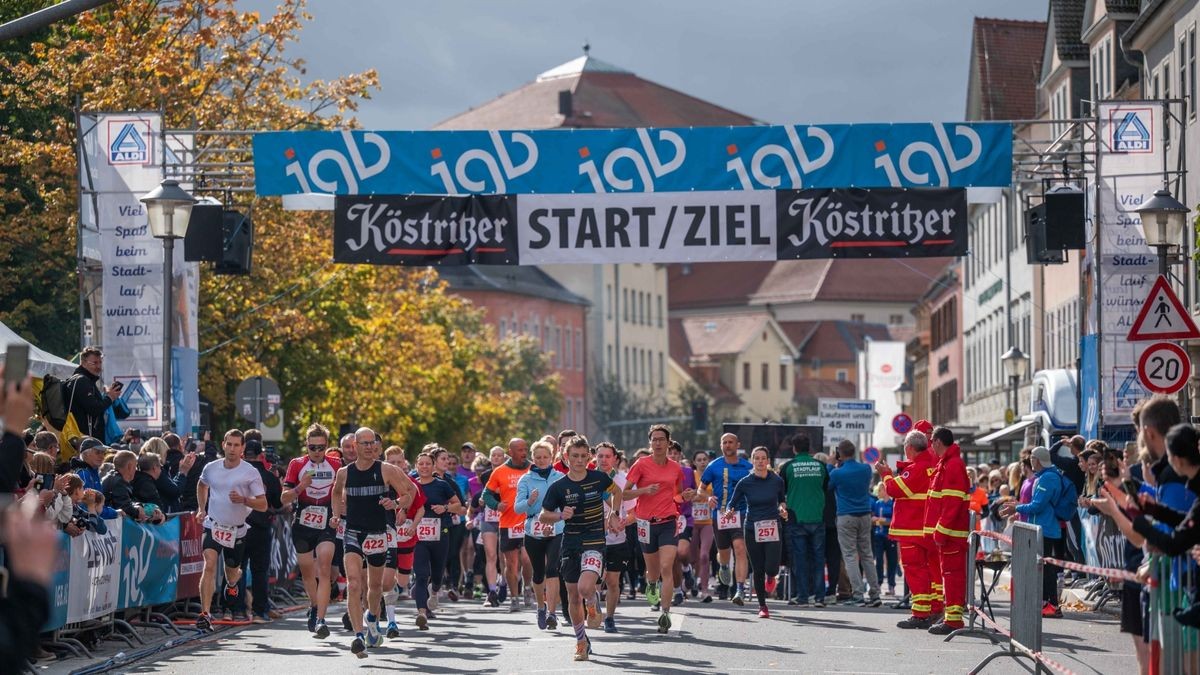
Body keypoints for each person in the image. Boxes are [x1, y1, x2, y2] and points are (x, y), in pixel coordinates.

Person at [330, 427, 415, 658]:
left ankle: (372, 621)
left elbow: (409, 492)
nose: (369, 447)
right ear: (355, 446)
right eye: (364, 443)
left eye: (372, 443)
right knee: (354, 584)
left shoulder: (386, 469)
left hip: (378, 534)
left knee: (375, 587)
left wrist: (397, 504)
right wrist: (336, 515)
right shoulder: (344, 473)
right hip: (352, 533)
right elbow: (336, 493)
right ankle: (358, 636)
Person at [539, 435, 623, 661]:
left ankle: (593, 601)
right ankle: (581, 641)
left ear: (589, 457)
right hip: (570, 543)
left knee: (586, 588)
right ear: (566, 457)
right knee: (573, 596)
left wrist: (613, 512)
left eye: (583, 456)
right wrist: (559, 515)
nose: (578, 460)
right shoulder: (559, 486)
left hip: (594, 540)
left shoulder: (599, 478)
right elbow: (543, 515)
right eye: (574, 456)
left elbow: (617, 492)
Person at [194, 429, 267, 632]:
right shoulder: (211, 468)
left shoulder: (250, 472)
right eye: (229, 444)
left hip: (237, 530)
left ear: (243, 448)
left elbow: (263, 504)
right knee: (209, 565)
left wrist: (244, 500)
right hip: (214, 524)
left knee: (232, 573)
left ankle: (234, 582)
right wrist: (202, 509)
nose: (233, 449)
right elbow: (202, 485)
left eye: (237, 445)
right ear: (223, 445)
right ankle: (205, 614)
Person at [623, 424, 692, 632]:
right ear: (650, 442)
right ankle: (651, 584)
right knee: (652, 572)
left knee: (666, 567)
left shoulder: (675, 468)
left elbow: (677, 496)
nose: (658, 443)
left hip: (668, 521)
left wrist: (685, 497)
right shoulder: (641, 464)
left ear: (668, 442)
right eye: (654, 439)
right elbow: (624, 494)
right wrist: (644, 490)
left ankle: (665, 613)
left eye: (661, 439)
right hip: (645, 523)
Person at [876, 429, 942, 629]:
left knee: (915, 571)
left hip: (912, 530)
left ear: (909, 448)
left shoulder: (916, 468)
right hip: (928, 529)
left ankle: (920, 614)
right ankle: (935, 608)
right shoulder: (933, 465)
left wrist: (886, 475)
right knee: (932, 572)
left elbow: (895, 490)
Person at [282, 423, 341, 637]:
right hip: (303, 521)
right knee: (308, 571)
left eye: (321, 447)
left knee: (324, 568)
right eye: (312, 447)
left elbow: (342, 495)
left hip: (326, 520)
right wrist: (301, 487)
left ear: (327, 446)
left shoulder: (336, 465)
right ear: (306, 446)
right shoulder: (297, 465)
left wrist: (337, 514)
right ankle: (315, 606)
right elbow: (284, 498)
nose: (317, 452)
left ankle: (322, 620)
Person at [724, 446, 787, 618]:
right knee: (758, 568)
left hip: (773, 526)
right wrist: (729, 511)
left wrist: (782, 509)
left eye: (763, 458)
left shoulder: (777, 481)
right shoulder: (745, 482)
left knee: (772, 567)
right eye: (756, 458)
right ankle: (762, 606)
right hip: (752, 528)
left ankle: (771, 577)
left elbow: (782, 500)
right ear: (752, 461)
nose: (760, 461)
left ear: (768, 461)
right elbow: (732, 503)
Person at [411, 450, 464, 630]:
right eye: (421, 464)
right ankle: (421, 613)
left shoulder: (442, 485)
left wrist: (445, 508)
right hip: (418, 537)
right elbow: (402, 504)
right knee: (421, 575)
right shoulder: (411, 485)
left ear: (433, 466)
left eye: (428, 464)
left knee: (437, 574)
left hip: (440, 533)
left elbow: (460, 507)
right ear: (416, 466)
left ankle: (434, 592)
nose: (424, 467)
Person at [515, 440, 565, 630]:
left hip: (556, 528)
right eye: (538, 457)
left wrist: (555, 518)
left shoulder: (560, 477)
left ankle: (552, 613)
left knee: (552, 568)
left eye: (545, 457)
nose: (542, 460)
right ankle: (540, 606)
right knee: (538, 573)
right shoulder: (526, 480)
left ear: (551, 457)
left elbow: (566, 504)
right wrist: (530, 500)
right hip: (533, 530)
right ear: (533, 458)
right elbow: (517, 507)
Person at [925, 426, 971, 634]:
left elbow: (952, 503)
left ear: (936, 442)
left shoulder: (952, 465)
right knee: (949, 575)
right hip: (949, 534)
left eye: (931, 443)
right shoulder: (948, 464)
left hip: (951, 535)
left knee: (952, 576)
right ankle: (950, 617)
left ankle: (953, 621)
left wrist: (941, 531)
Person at [826, 440, 881, 607]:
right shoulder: (865, 469)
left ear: (839, 454)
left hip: (845, 516)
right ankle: (875, 593)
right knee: (867, 555)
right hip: (865, 515)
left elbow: (828, 486)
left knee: (850, 556)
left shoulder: (837, 472)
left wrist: (830, 465)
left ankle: (858, 595)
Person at [700, 432, 753, 602]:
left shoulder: (747, 466)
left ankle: (739, 589)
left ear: (738, 445)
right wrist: (707, 497)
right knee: (724, 552)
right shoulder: (713, 466)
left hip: (742, 513)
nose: (728, 445)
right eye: (724, 442)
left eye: (731, 442)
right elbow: (701, 489)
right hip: (720, 514)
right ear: (721, 445)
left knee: (739, 548)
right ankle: (723, 566)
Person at [482, 437, 532, 613]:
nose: (523, 453)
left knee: (527, 559)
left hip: (528, 522)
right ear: (510, 452)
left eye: (525, 449)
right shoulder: (499, 472)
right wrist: (496, 505)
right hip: (508, 523)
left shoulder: (532, 468)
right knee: (510, 563)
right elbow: (486, 495)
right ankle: (514, 597)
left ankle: (527, 588)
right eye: (519, 450)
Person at [780, 433, 827, 607]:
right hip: (817, 517)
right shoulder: (821, 466)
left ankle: (802, 597)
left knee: (799, 559)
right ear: (810, 448)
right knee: (818, 559)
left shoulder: (789, 466)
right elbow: (825, 487)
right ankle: (820, 597)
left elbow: (781, 490)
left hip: (796, 518)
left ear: (794, 448)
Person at [241, 435, 284, 623]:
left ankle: (236, 610)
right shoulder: (267, 475)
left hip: (238, 525)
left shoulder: (237, 473)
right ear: (261, 456)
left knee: (236, 569)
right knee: (260, 571)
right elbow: (277, 502)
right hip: (260, 527)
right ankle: (259, 611)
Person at [595, 442, 632, 631]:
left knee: (612, 581)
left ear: (615, 459)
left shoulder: (624, 480)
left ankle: (609, 617)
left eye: (607, 456)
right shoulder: (587, 478)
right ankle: (593, 608)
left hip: (617, 539)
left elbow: (634, 512)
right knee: (595, 578)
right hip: (593, 539)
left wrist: (623, 522)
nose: (603, 460)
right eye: (600, 456)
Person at [64, 347, 122, 441]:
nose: (99, 366)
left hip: (83, 437)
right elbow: (94, 409)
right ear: (83, 363)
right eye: (94, 363)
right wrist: (110, 397)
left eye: (100, 362)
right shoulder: (82, 381)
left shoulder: (84, 380)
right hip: (85, 439)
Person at [667, 440, 697, 606]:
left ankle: (687, 569)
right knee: (672, 558)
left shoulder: (687, 471)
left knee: (682, 552)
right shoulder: (660, 472)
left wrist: (690, 493)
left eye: (676, 453)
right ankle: (677, 590)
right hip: (665, 517)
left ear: (680, 455)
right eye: (670, 453)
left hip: (684, 517)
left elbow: (694, 490)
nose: (673, 455)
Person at [688, 449, 714, 603]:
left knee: (704, 556)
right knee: (690, 557)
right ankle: (688, 581)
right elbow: (687, 496)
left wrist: (700, 496)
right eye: (699, 459)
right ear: (694, 462)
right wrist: (700, 496)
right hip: (692, 521)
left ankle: (704, 591)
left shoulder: (711, 476)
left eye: (705, 459)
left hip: (707, 522)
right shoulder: (691, 476)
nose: (703, 462)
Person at [871, 483, 897, 596]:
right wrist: (880, 521)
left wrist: (882, 520)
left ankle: (891, 585)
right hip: (878, 535)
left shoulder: (893, 504)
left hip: (890, 536)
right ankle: (878, 584)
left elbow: (894, 520)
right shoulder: (877, 504)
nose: (878, 492)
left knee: (892, 562)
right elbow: (873, 519)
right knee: (879, 561)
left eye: (880, 490)